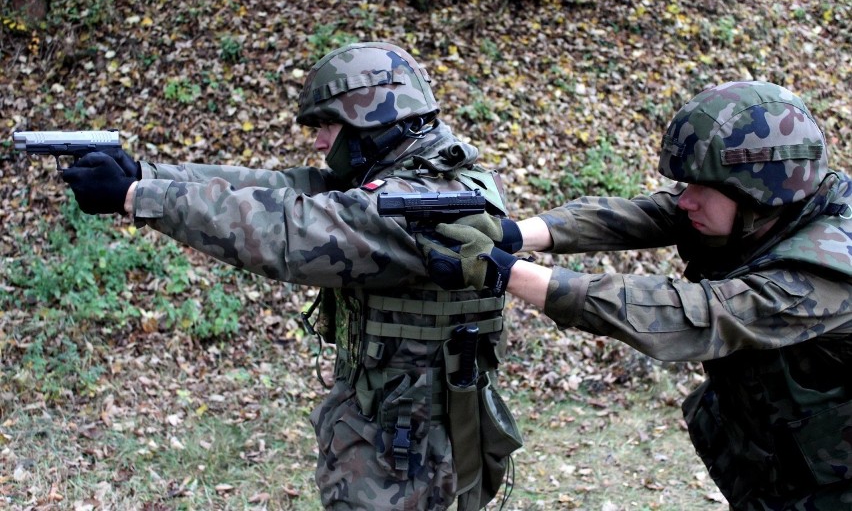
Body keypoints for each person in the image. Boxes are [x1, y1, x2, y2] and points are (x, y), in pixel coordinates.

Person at [60, 42, 522, 510]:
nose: (320, 143)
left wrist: (139, 197)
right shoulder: (411, 173)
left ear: (374, 115)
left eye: (327, 126)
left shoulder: (427, 201)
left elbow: (290, 229)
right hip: (399, 430)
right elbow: (278, 188)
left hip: (412, 451)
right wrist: (147, 174)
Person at [417, 81, 852, 510]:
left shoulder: (829, 271)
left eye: (703, 188)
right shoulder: (780, 209)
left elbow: (697, 316)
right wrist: (510, 234)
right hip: (785, 461)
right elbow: (646, 214)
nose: (686, 201)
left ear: (762, 192)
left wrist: (502, 271)